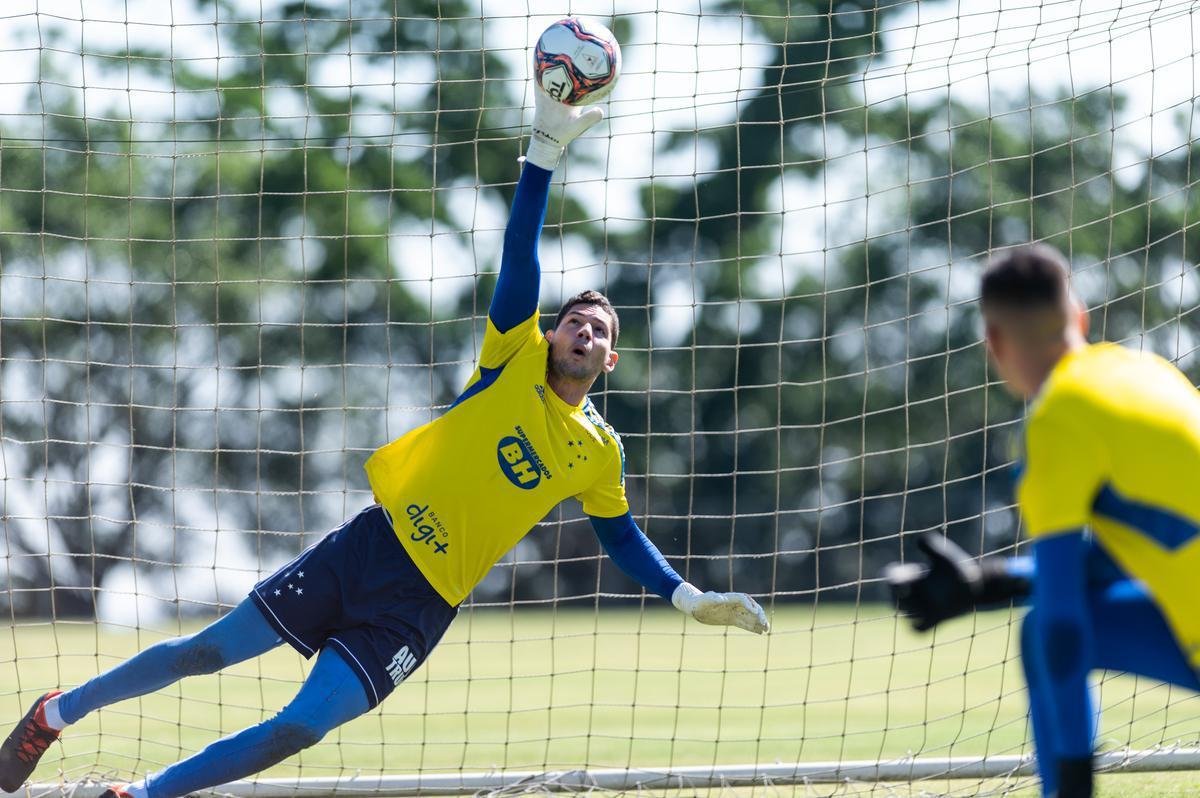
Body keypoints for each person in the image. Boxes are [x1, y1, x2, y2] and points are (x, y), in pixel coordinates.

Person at [0, 86, 768, 798]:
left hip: (419, 607)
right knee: (203, 653)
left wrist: (687, 596)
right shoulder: (510, 359)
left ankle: (143, 795)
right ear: (551, 333)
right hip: (369, 548)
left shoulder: (598, 450)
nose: (585, 329)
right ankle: (54, 716)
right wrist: (543, 155)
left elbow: (621, 536)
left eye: (600, 329)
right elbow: (520, 262)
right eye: (575, 320)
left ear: (611, 358)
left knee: (299, 727)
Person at [884, 243, 1200, 798]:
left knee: (1039, 632)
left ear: (994, 343)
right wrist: (988, 583)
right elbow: (1142, 545)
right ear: (1080, 316)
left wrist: (1077, 780)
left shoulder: (1055, 420)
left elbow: (1061, 623)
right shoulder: (1150, 371)